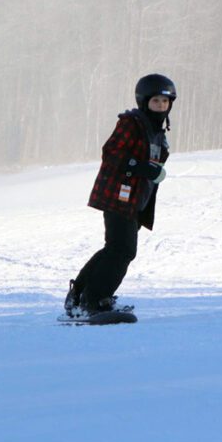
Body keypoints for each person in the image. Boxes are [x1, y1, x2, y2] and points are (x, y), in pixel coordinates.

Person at [64, 74, 176, 317]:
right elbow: (111, 152)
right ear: (144, 101)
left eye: (165, 102)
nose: (161, 106)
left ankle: (78, 296)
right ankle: (94, 301)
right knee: (123, 250)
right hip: (118, 196)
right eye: (156, 101)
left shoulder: (157, 131)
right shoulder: (132, 123)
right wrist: (139, 166)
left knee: (114, 248)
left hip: (136, 201)